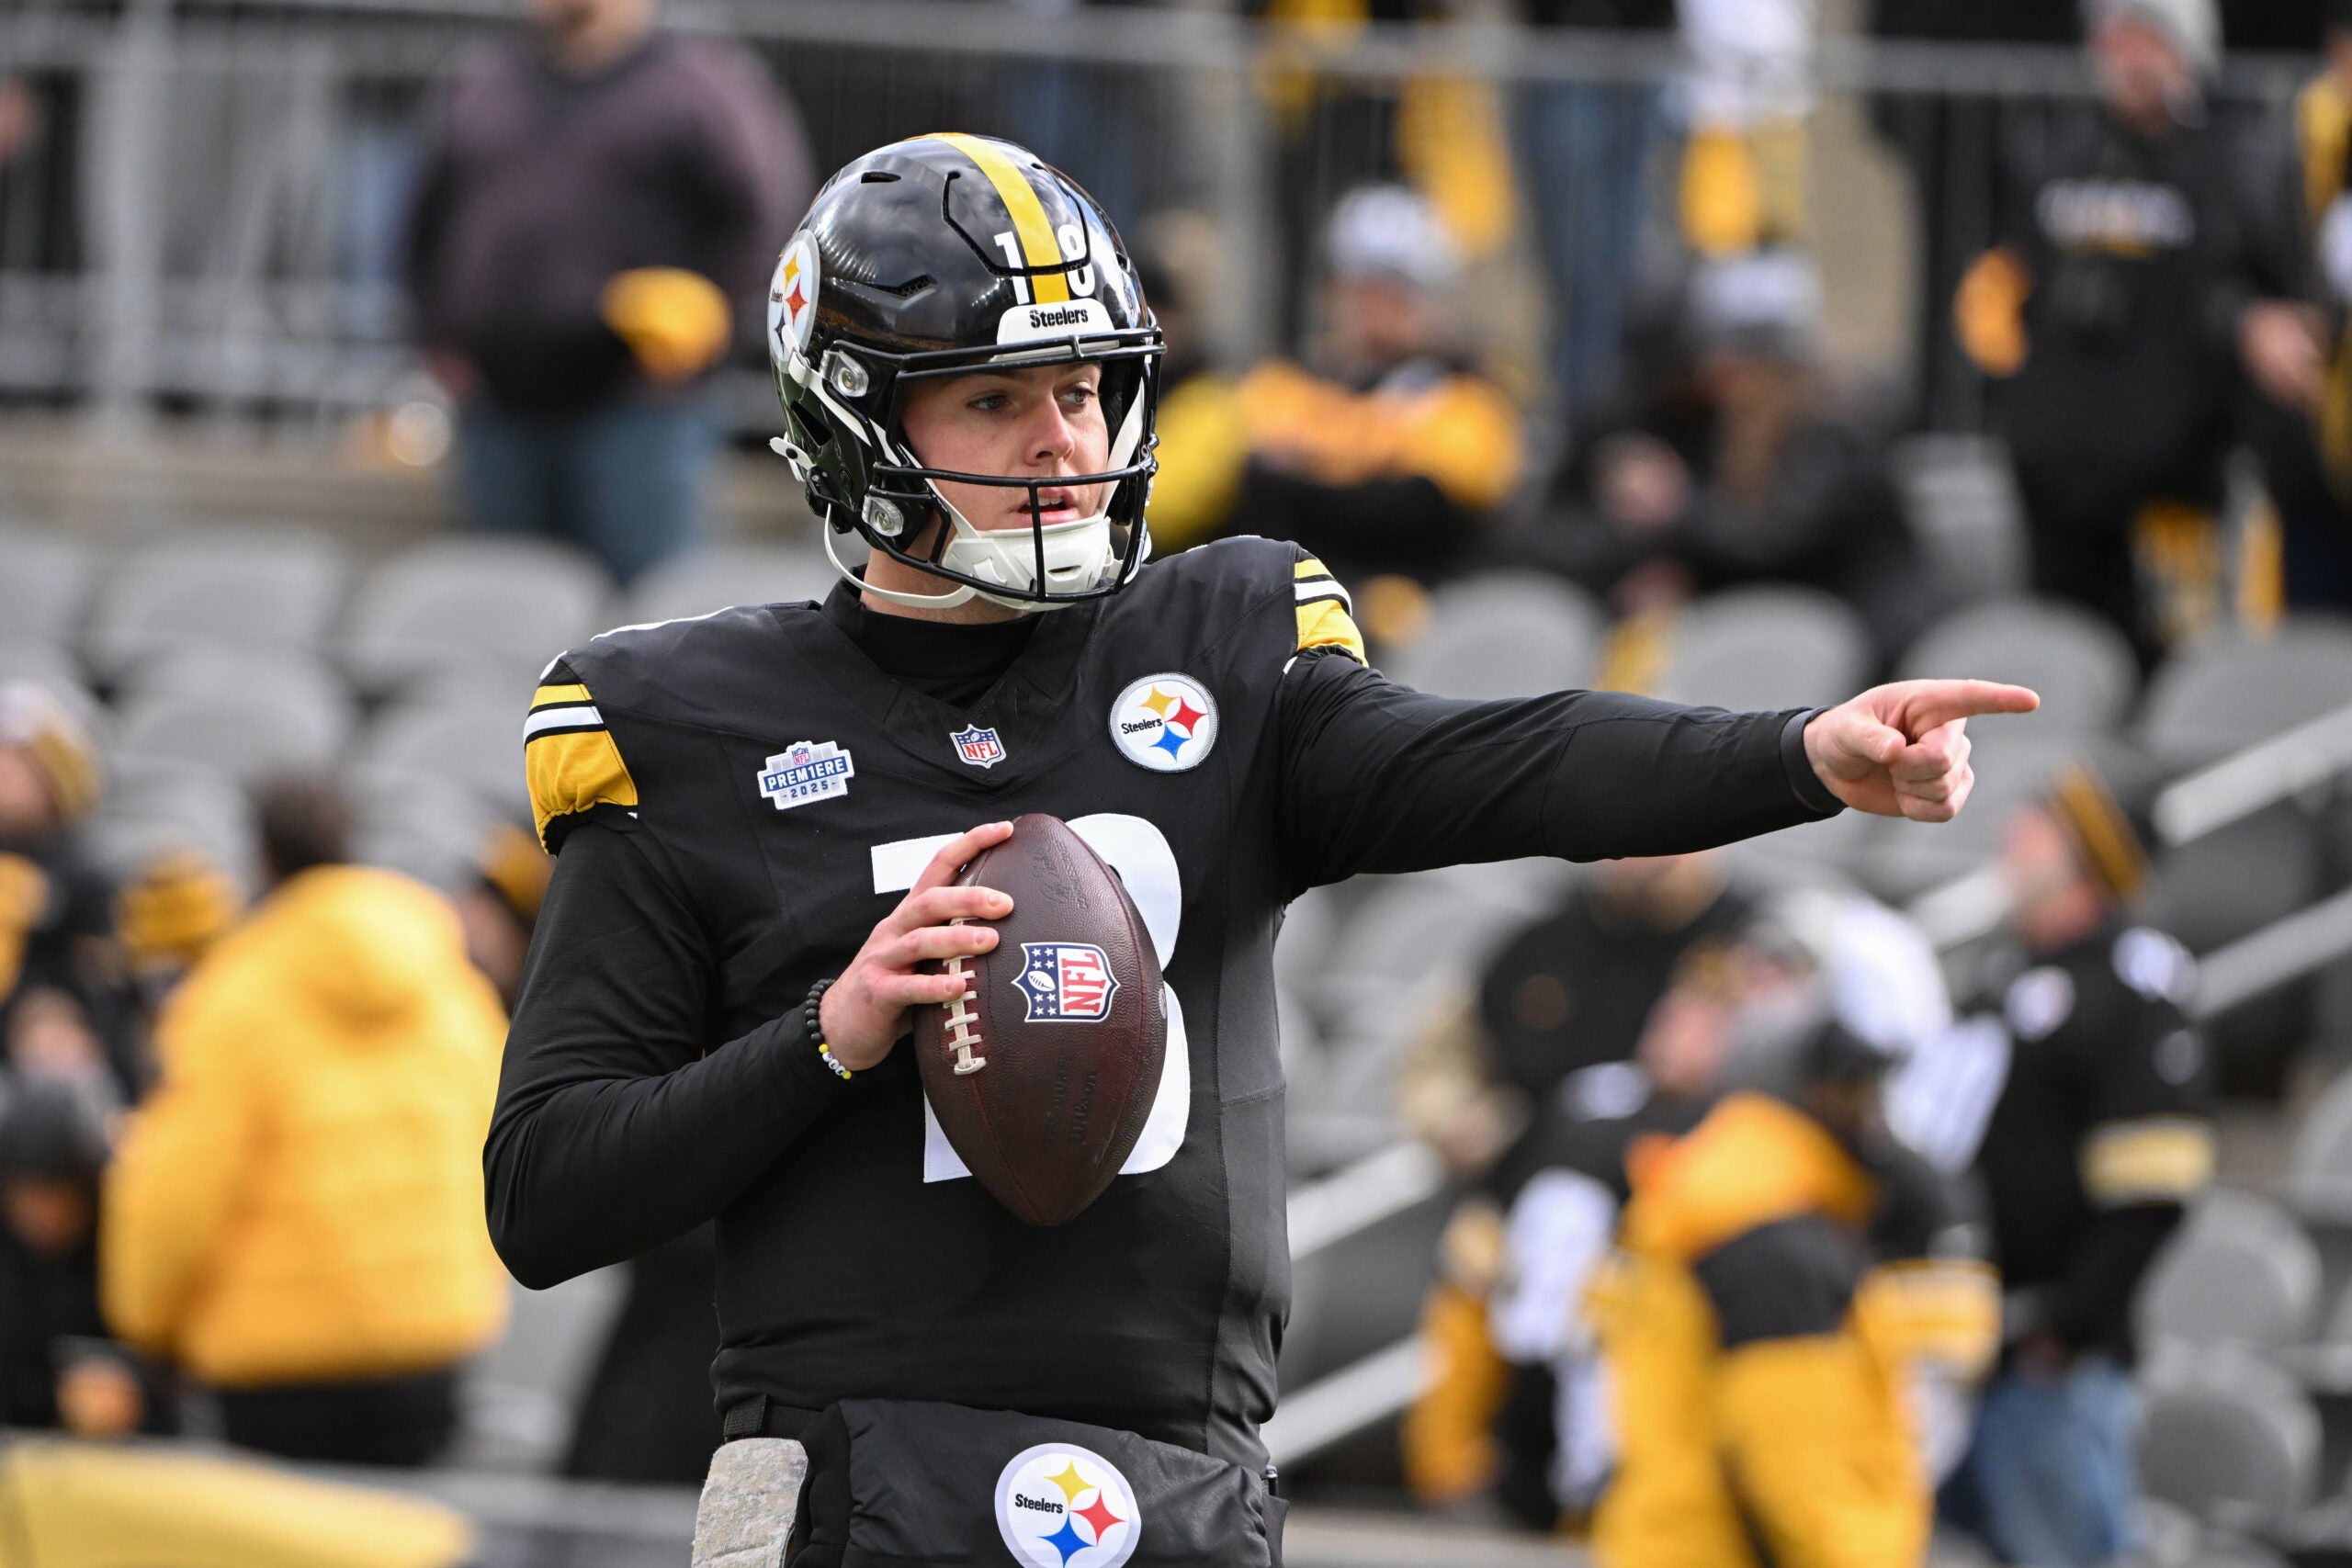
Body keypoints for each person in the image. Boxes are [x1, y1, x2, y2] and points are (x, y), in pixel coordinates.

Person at [483, 133, 2033, 1549]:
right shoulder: (688, 720)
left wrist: (1790, 754)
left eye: (1085, 388)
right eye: (997, 398)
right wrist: (822, 1036)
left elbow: (1503, 760)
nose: (1061, 438)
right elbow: (545, 1192)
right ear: (855, 421)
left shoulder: (1214, 640)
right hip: (845, 1477)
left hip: (1181, 1480)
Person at [100, 777, 509, 1468]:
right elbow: (502, 1144)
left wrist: (144, 1320)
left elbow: (180, 1189)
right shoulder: (448, 979)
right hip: (432, 1351)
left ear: (261, 858)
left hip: (280, 1370)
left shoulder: (235, 991)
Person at [1917, 758, 2213, 1565]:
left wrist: (2070, 1322)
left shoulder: (2133, 984)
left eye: (2040, 824)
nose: (2013, 839)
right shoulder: (2002, 973)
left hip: (2047, 1358)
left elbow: (2156, 1184)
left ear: (2087, 851)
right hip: (1961, 1340)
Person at [401, 0, 813, 581]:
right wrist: (436, 339)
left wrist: (712, 326)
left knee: (646, 622)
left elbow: (763, 223)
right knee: (502, 608)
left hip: (638, 406)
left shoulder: (699, 85)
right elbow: (424, 223)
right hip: (497, 403)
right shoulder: (482, 83)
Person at [1952, 0, 2314, 660]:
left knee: (2175, 657)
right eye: (2113, 41)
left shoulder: (2232, 160)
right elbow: (2003, 289)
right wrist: (2019, 412)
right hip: (2059, 470)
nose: (2127, 60)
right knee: (2062, 655)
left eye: (2145, 39)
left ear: (2184, 51)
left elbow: (2251, 291)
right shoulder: (2060, 154)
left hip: (2175, 479)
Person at [1588, 1009, 1997, 1568]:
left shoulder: (1714, 1197)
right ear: (1790, 1090)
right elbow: (1795, 1465)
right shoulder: (1772, 1245)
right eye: (1844, 1090)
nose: (1866, 1113)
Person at [1530, 248, 1935, 665]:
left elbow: (1771, 547)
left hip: (1870, 649)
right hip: (1790, 637)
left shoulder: (1838, 436)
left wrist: (1672, 505)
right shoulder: (1737, 433)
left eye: (1734, 364)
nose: (1716, 378)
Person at [1147, 185, 1525, 592]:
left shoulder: (1472, 400)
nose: (1374, 310)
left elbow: (1423, 503)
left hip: (1403, 606)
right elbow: (1226, 479)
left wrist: (1312, 461)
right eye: (1361, 289)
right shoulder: (1285, 384)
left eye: (1395, 293)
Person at [1398, 851, 1751, 1185]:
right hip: (1539, 1181)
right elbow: (1446, 1053)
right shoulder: (1540, 941)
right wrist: (1457, 1118)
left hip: (1697, 1183)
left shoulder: (1753, 943)